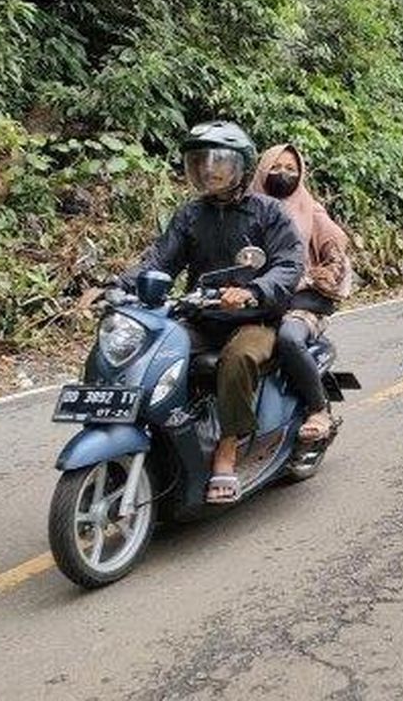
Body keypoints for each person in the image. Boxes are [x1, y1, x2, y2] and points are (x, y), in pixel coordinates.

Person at [120, 122, 305, 504]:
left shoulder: (268, 212)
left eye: (217, 161)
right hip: (203, 317)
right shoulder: (190, 214)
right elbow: (159, 259)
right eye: (200, 162)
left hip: (255, 318)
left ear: (241, 166)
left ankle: (226, 448)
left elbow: (288, 264)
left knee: (237, 359)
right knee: (152, 350)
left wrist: (253, 291)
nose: (208, 170)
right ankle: (166, 432)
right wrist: (118, 285)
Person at [250, 144, 352, 445]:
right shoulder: (245, 206)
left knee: (289, 338)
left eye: (291, 169)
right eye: (276, 167)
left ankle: (318, 409)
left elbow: (335, 250)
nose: (283, 174)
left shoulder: (309, 208)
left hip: (300, 300)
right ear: (261, 169)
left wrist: (314, 277)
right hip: (254, 297)